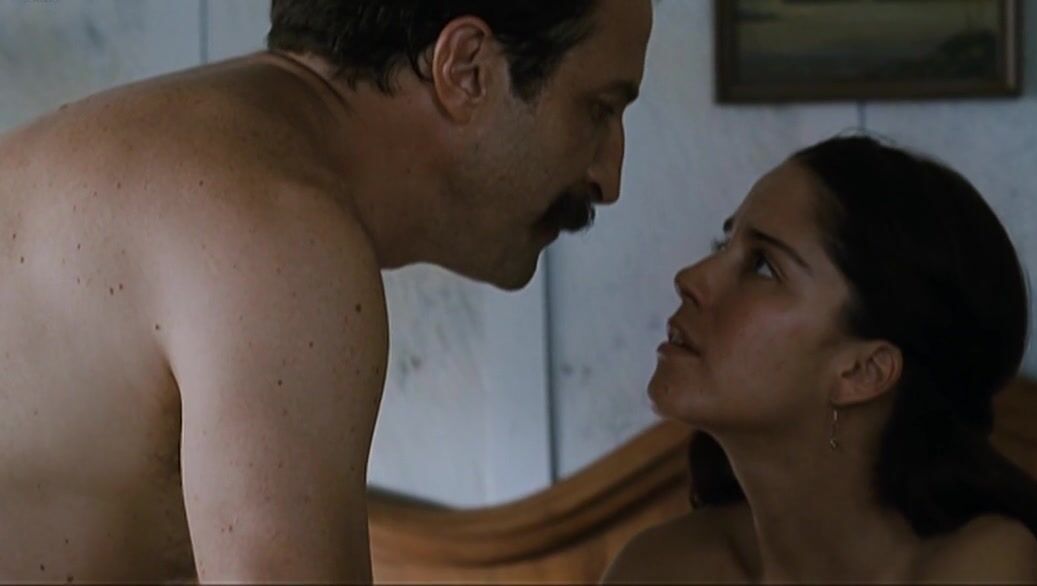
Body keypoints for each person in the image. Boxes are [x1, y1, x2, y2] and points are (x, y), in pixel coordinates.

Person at [0, 0, 651, 582]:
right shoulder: (275, 233)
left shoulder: (148, 154)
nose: (610, 177)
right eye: (599, 109)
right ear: (468, 70)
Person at [603, 136, 1037, 584]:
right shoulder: (657, 566)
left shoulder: (983, 565)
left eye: (763, 266)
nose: (691, 277)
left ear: (862, 371)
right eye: (723, 243)